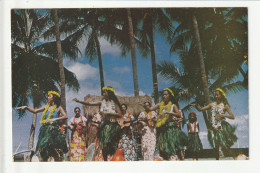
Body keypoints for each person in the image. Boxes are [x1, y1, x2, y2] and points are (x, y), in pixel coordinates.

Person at [73, 86, 122, 161]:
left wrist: (109, 113)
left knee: (110, 143)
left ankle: (112, 158)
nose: (104, 93)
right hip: (105, 125)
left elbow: (119, 114)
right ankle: (105, 160)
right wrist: (79, 101)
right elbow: (89, 103)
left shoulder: (114, 103)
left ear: (109, 93)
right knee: (104, 145)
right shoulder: (102, 102)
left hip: (113, 126)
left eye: (105, 92)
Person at [16, 91, 68, 161]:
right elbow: (35, 111)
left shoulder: (58, 108)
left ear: (54, 98)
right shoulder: (45, 107)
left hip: (53, 130)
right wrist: (26, 107)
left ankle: (57, 159)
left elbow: (65, 116)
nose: (48, 97)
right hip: (45, 130)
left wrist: (55, 118)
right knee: (43, 148)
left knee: (51, 146)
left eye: (49, 96)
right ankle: (45, 161)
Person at [189, 88, 237, 160]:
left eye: (217, 95)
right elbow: (201, 109)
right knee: (216, 147)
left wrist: (223, 115)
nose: (216, 96)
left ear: (221, 95)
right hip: (213, 127)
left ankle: (235, 158)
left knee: (225, 145)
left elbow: (232, 116)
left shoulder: (225, 105)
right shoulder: (211, 104)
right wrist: (196, 106)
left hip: (221, 127)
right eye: (215, 95)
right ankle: (217, 160)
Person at [143, 88, 187, 161]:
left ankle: (175, 156)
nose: (164, 96)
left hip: (171, 128)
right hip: (162, 128)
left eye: (166, 94)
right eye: (163, 95)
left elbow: (179, 114)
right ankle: (164, 156)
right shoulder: (159, 105)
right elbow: (150, 109)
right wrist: (145, 106)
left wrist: (170, 113)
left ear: (169, 96)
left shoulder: (173, 105)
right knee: (162, 145)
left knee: (172, 144)